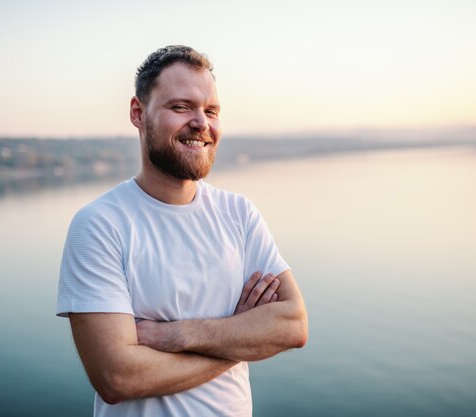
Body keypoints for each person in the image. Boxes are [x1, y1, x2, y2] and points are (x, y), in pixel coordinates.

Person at [56, 45, 308, 417]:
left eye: (211, 111)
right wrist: (239, 336)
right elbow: (117, 378)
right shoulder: (99, 225)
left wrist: (179, 335)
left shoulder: (238, 213)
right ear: (138, 114)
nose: (201, 123)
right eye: (181, 107)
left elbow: (293, 325)